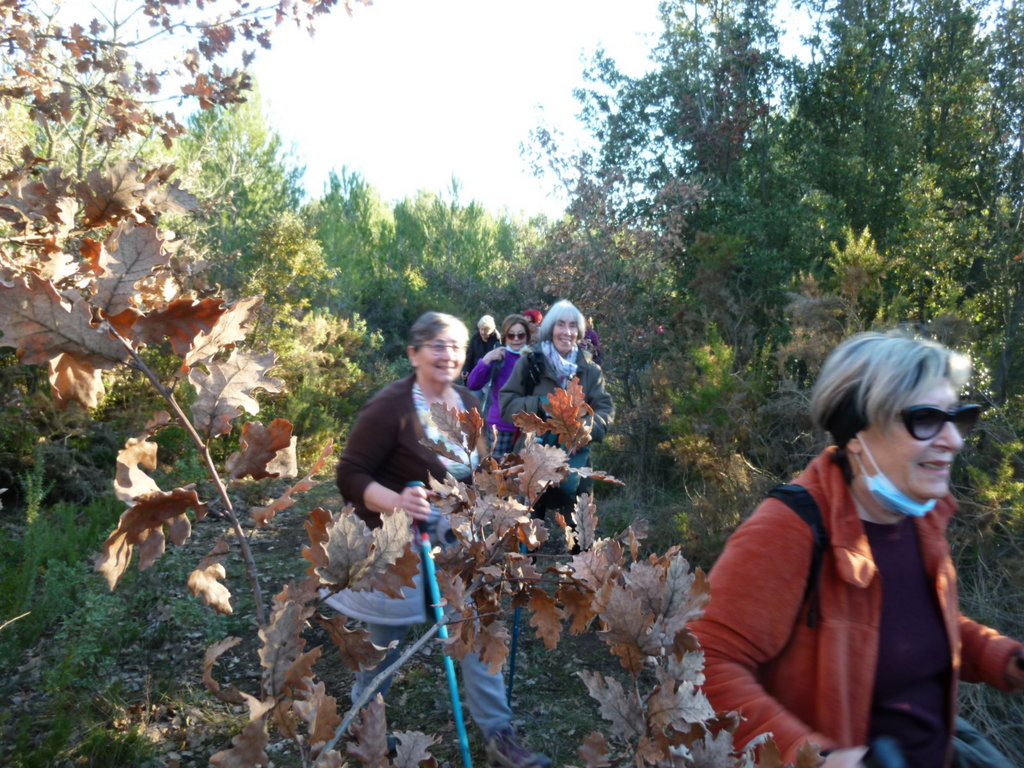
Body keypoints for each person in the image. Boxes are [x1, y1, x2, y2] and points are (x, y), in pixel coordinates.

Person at [690, 331, 1024, 767]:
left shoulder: (921, 518)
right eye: (925, 419)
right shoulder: (790, 527)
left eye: (958, 417)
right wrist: (812, 756)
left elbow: (910, 621)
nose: (954, 440)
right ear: (856, 436)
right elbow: (702, 660)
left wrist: (1001, 656)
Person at [332, 311, 551, 768]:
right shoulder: (390, 407)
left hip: (457, 542)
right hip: (395, 548)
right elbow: (350, 473)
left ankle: (498, 736)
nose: (446, 353)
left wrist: (506, 495)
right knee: (383, 648)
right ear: (414, 353)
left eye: (454, 344)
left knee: (474, 627)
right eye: (435, 344)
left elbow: (476, 469)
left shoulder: (467, 398)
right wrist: (397, 503)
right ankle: (365, 727)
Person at [499, 300, 614, 514]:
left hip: (574, 463)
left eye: (572, 326)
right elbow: (506, 404)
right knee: (526, 530)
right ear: (550, 328)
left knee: (580, 534)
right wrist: (542, 406)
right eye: (560, 324)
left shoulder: (590, 370)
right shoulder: (530, 362)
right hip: (533, 460)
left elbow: (605, 412)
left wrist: (584, 428)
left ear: (579, 332)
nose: (566, 332)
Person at [465, 313, 531, 457]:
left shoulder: (534, 359)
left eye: (521, 335)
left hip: (527, 429)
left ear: (527, 336)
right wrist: (486, 359)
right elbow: (473, 383)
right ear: (505, 337)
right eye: (511, 335)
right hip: (500, 427)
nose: (516, 339)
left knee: (521, 475)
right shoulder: (499, 357)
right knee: (495, 474)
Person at [462, 314, 500, 391]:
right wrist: (465, 370)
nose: (483, 332)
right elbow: (469, 356)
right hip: (476, 374)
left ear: (492, 329)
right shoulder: (475, 338)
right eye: (481, 329)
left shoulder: (497, 340)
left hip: (489, 378)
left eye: (486, 330)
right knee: (473, 400)